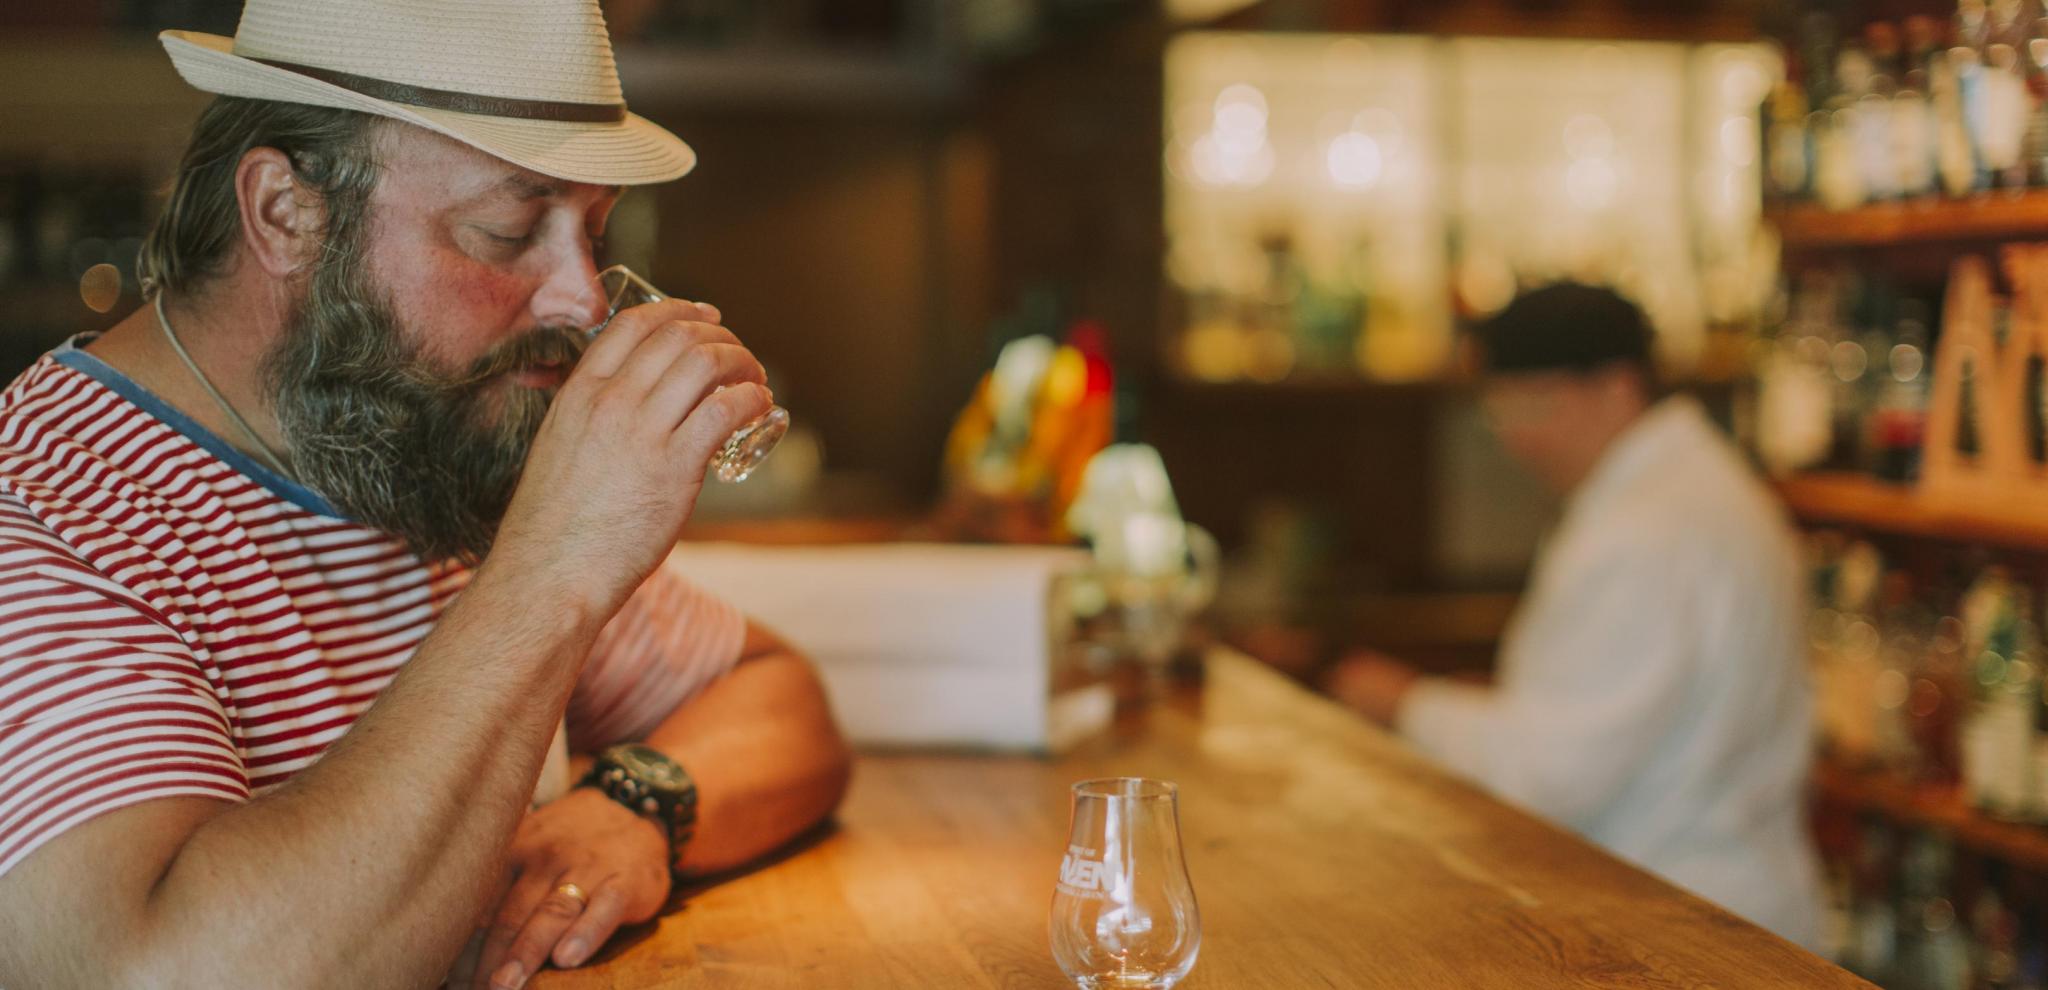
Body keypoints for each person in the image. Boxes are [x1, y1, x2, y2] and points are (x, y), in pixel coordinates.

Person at [0, 3, 852, 988]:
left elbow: (775, 700)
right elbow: (162, 970)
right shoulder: (44, 527)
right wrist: (552, 573)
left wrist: (636, 805)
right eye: (507, 229)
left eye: (591, 231)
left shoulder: (412, 440)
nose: (581, 300)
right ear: (284, 210)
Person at [1324, 282, 1825, 948]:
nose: (1516, 438)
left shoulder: (1644, 530)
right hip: (1719, 909)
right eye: (1499, 411)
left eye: (1533, 406)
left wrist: (1407, 704)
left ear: (1618, 389)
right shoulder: (1694, 484)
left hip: (1692, 930)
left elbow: (1552, 774)